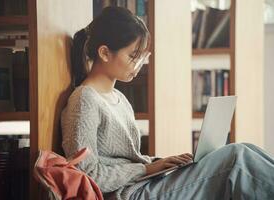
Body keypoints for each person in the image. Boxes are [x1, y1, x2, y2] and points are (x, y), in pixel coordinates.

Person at [61, 6, 274, 200]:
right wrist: (147, 170)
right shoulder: (85, 100)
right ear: (105, 53)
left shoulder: (120, 99)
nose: (138, 65)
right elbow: (86, 174)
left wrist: (160, 163)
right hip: (129, 194)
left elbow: (127, 159)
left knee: (246, 149)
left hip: (145, 183)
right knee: (236, 158)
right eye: (133, 56)